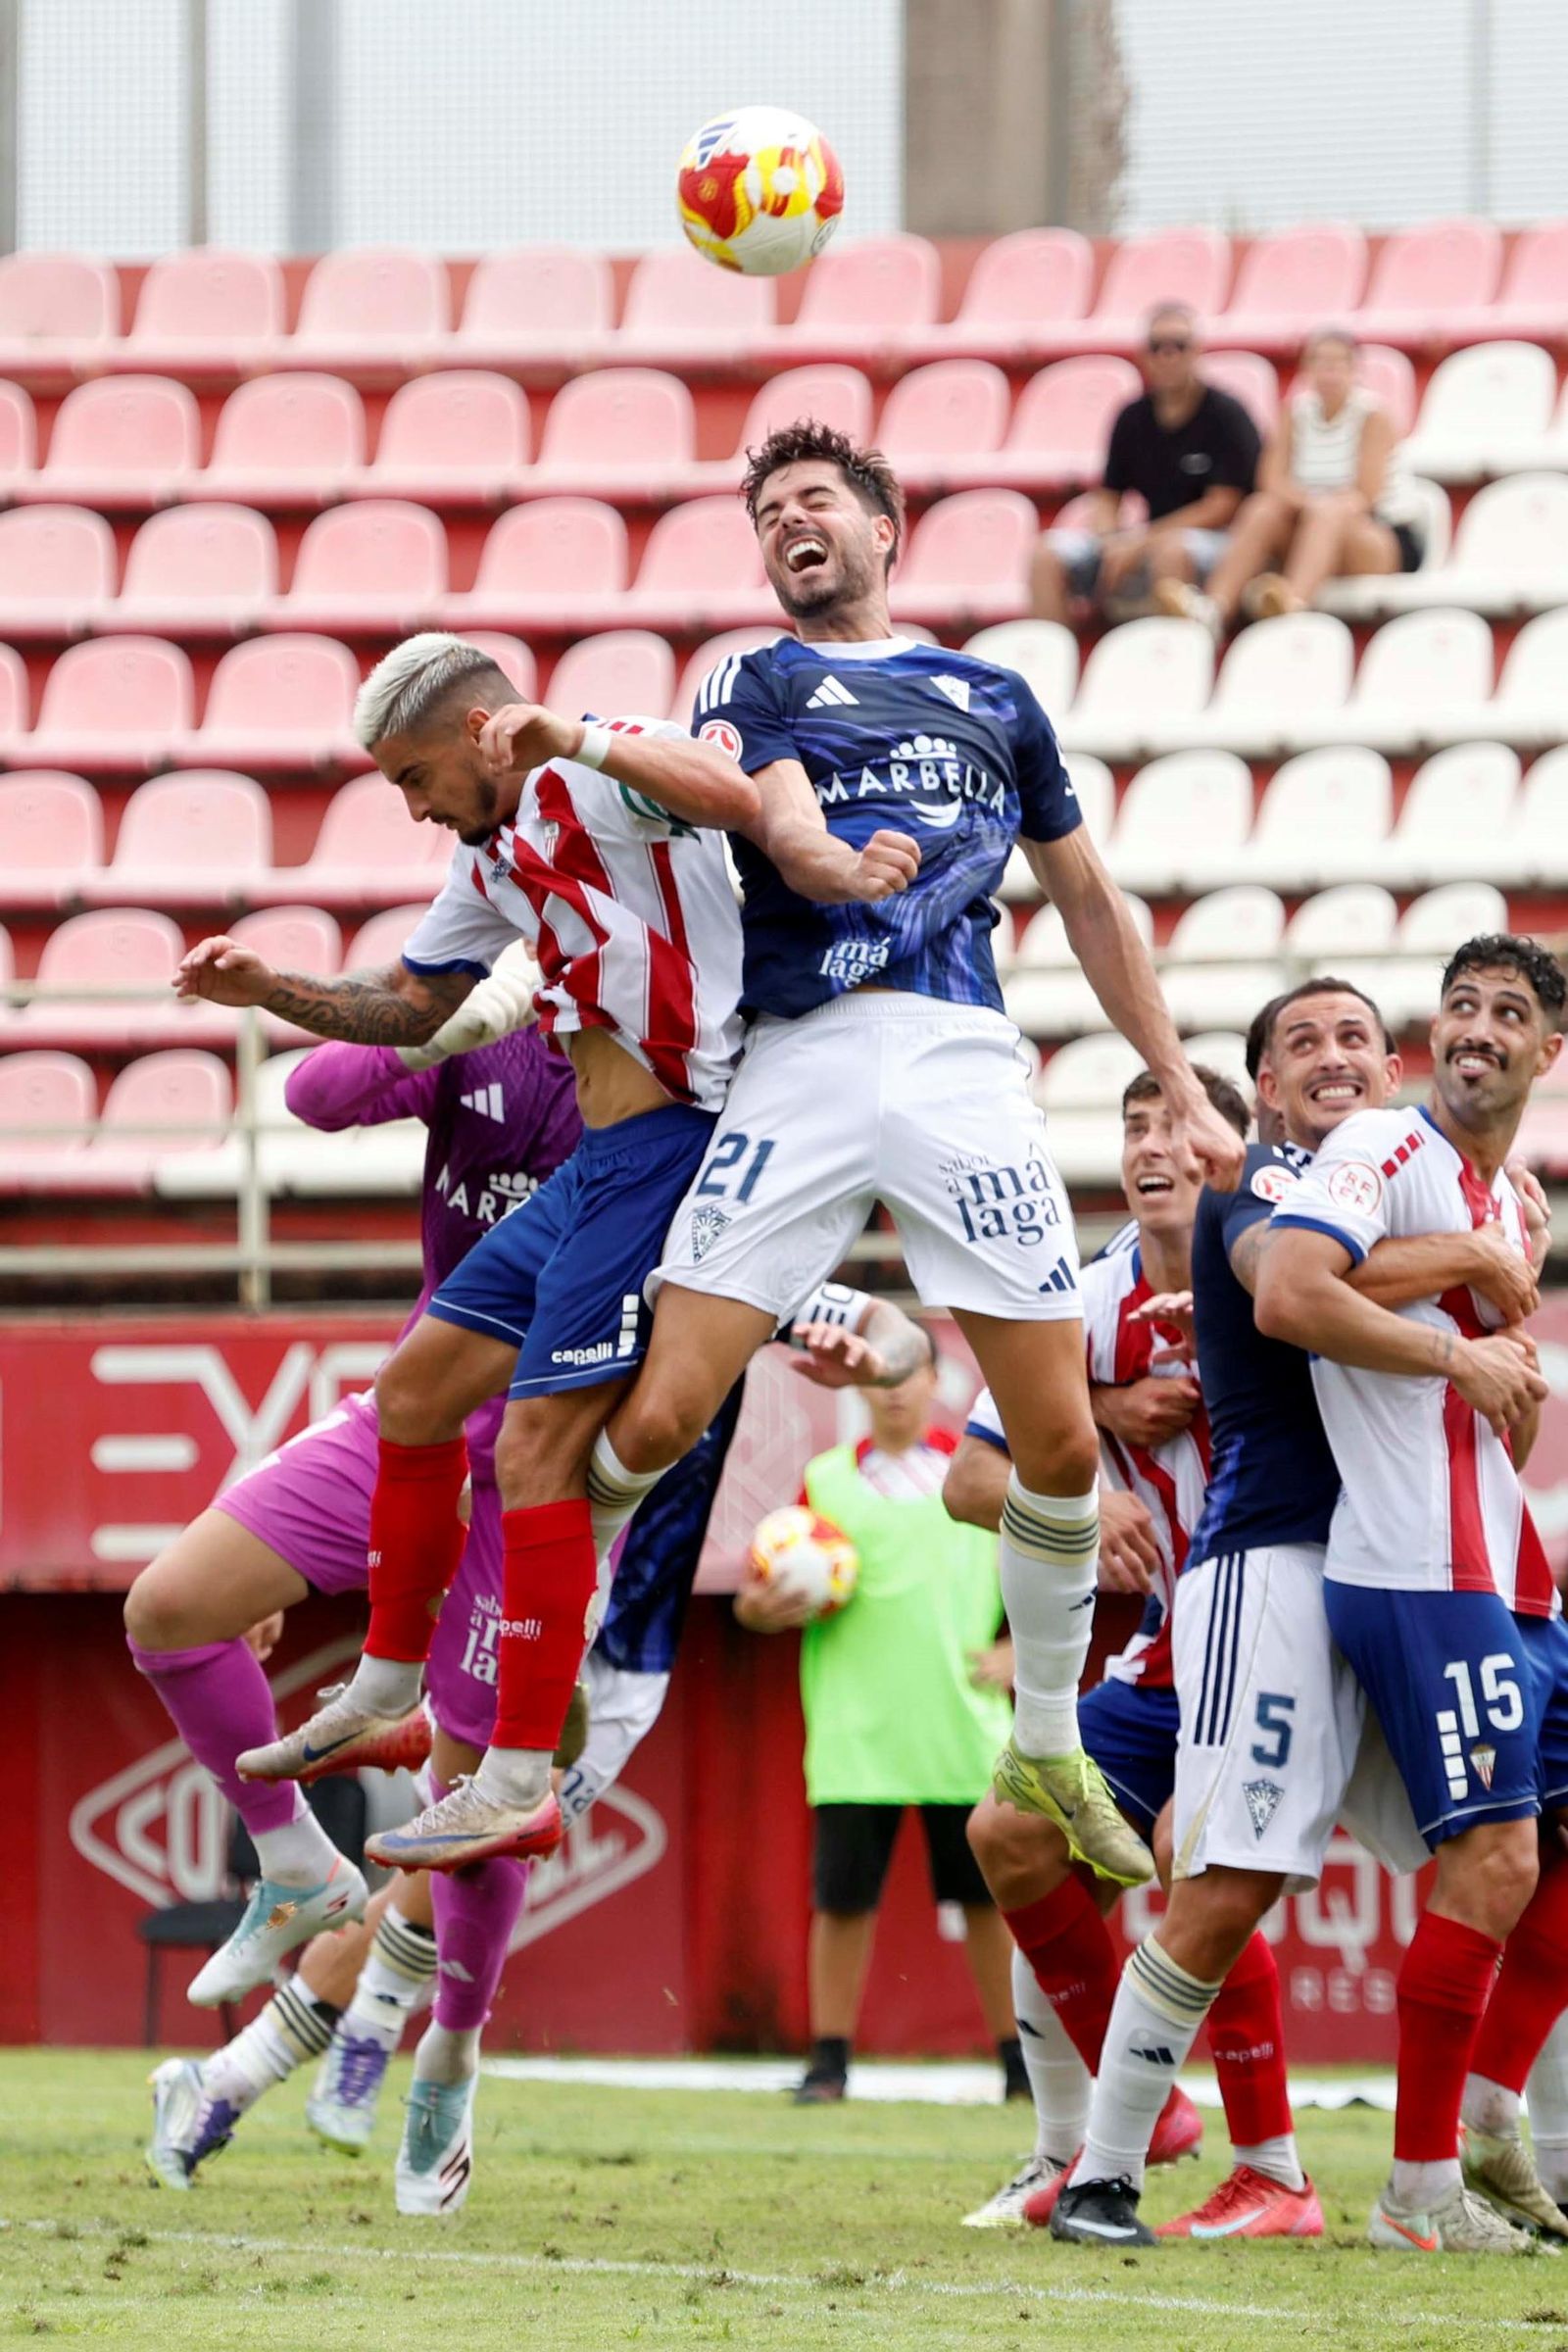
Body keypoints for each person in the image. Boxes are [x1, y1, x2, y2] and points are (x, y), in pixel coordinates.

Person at [567, 419, 1246, 1913]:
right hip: (803, 1057)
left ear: (888, 525)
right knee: (667, 1406)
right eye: (767, 513)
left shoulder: (998, 697)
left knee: (1056, 1446)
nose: (789, 525)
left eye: (816, 501)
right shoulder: (754, 678)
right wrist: (819, 868)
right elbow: (784, 815)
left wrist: (1185, 1083)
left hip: (958, 1063)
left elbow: (1088, 898)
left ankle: (1053, 1744)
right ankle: (549, 1658)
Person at [173, 652, 838, 1870]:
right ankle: (386, 1681)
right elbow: (410, 1013)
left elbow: (736, 796)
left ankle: (518, 1774)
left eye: (416, 776)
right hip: (605, 1160)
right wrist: (273, 990)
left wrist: (570, 737)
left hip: (687, 1140)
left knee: (536, 1452)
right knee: (420, 1391)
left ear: (481, 733)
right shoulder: (489, 857)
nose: (413, 806)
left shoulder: (602, 770)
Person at [1045, 976, 1544, 2251]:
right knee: (1222, 1883)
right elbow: (1297, 1281)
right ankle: (1105, 2173)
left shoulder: (1422, 1184)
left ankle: (1449, 2167)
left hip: (1399, 1575)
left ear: (1392, 1070)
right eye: (1299, 1044)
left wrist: (1496, 1260)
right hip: (1271, 1566)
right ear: (1264, 1089)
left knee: (1502, 1861)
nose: (1331, 1058)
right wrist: (1483, 1272)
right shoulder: (1263, 1178)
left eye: (1355, 1039)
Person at [952, 1066, 1315, 2237]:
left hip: (1308, 1612)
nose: (1152, 1145)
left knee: (1189, 1852)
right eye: (1134, 1126)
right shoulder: (1081, 1301)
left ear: (1229, 1146)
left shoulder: (1284, 1257)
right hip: (1174, 1640)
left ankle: (1276, 2166)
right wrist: (1087, 1454)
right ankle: (1130, 2116)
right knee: (1011, 1834)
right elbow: (969, 1479)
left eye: (1177, 1125)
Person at [1255, 934, 1568, 2255]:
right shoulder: (1378, 1149)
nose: (1482, 1027)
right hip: (1409, 1560)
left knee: (1542, 1854)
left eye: (1512, 1012)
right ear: (1433, 1036)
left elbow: (1496, 1392)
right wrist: (1465, 1323)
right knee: (1492, 1858)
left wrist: (1492, 1333)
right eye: (1463, 1006)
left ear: (1549, 1054)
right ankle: (1418, 2192)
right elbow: (1285, 1286)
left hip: (1506, 1565)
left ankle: (1493, 2116)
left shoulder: (1522, 1202)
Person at [736, 1339, 1023, 2106]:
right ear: (861, 1384)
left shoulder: (976, 1473)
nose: (895, 1391)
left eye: (909, 1375)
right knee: (842, 1901)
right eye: (882, 1377)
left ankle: (1021, 2065)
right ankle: (828, 2062)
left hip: (961, 1726)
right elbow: (756, 1593)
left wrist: (1019, 1650)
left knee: (988, 1903)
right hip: (856, 1729)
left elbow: (1052, 1563)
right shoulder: (825, 1482)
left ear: (937, 1380)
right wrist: (760, 1608)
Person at [1160, 326, 1423, 635]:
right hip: (1314, 526)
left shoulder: (1373, 416)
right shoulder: (1296, 411)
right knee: (1263, 509)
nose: (1329, 373)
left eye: (1338, 364)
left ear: (1354, 370)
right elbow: (1270, 479)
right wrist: (1307, 503)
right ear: (1307, 369)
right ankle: (1215, 607)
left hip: (1379, 537)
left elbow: (1364, 496)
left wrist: (1310, 504)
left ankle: (1293, 602)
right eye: (1321, 363)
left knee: (1330, 510)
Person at [1030, 304, 1260, 627]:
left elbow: (1222, 507)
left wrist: (1141, 541)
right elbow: (1109, 495)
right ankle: (1057, 661)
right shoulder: (1132, 417)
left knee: (1173, 552)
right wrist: (1110, 539)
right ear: (1144, 355)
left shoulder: (1226, 415)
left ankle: (1173, 660)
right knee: (1046, 555)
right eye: (1157, 347)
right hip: (1149, 538)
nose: (1168, 356)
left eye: (1178, 345)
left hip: (1217, 543)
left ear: (1197, 351)